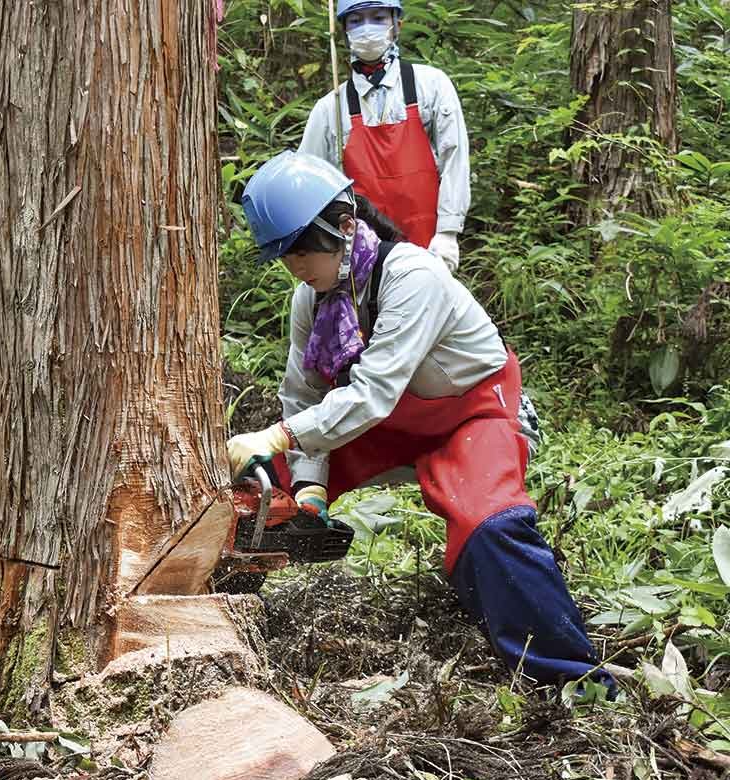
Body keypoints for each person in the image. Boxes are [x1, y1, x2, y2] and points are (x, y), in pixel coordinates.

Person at [228, 151, 612, 694]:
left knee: (488, 522)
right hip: (389, 414)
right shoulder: (310, 301)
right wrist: (309, 485)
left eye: (300, 250)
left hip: (470, 410)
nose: (294, 266)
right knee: (265, 489)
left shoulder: (413, 275)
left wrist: (280, 435)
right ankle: (222, 609)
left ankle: (567, 678)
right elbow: (305, 396)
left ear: (342, 226)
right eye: (282, 256)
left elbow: (371, 392)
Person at [299, 0, 468, 271]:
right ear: (344, 31)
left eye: (378, 17)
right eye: (356, 21)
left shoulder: (432, 85)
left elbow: (455, 159)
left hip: (428, 246)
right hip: (361, 253)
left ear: (397, 24)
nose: (367, 28)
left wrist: (448, 231)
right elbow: (307, 186)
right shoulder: (331, 107)